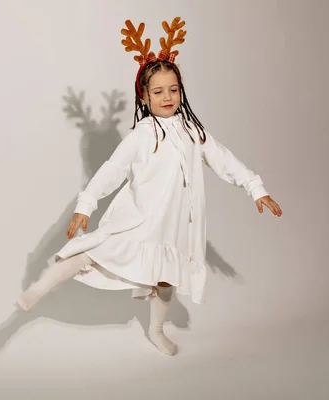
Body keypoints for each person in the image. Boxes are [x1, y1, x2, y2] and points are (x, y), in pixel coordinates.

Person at [17, 17, 283, 356]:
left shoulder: (192, 130)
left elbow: (224, 159)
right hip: (141, 220)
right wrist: (86, 205)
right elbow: (112, 169)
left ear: (181, 91)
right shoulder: (142, 134)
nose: (167, 97)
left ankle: (156, 330)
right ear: (144, 95)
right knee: (91, 253)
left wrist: (254, 187)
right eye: (158, 91)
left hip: (171, 228)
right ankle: (38, 289)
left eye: (174, 89)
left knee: (166, 280)